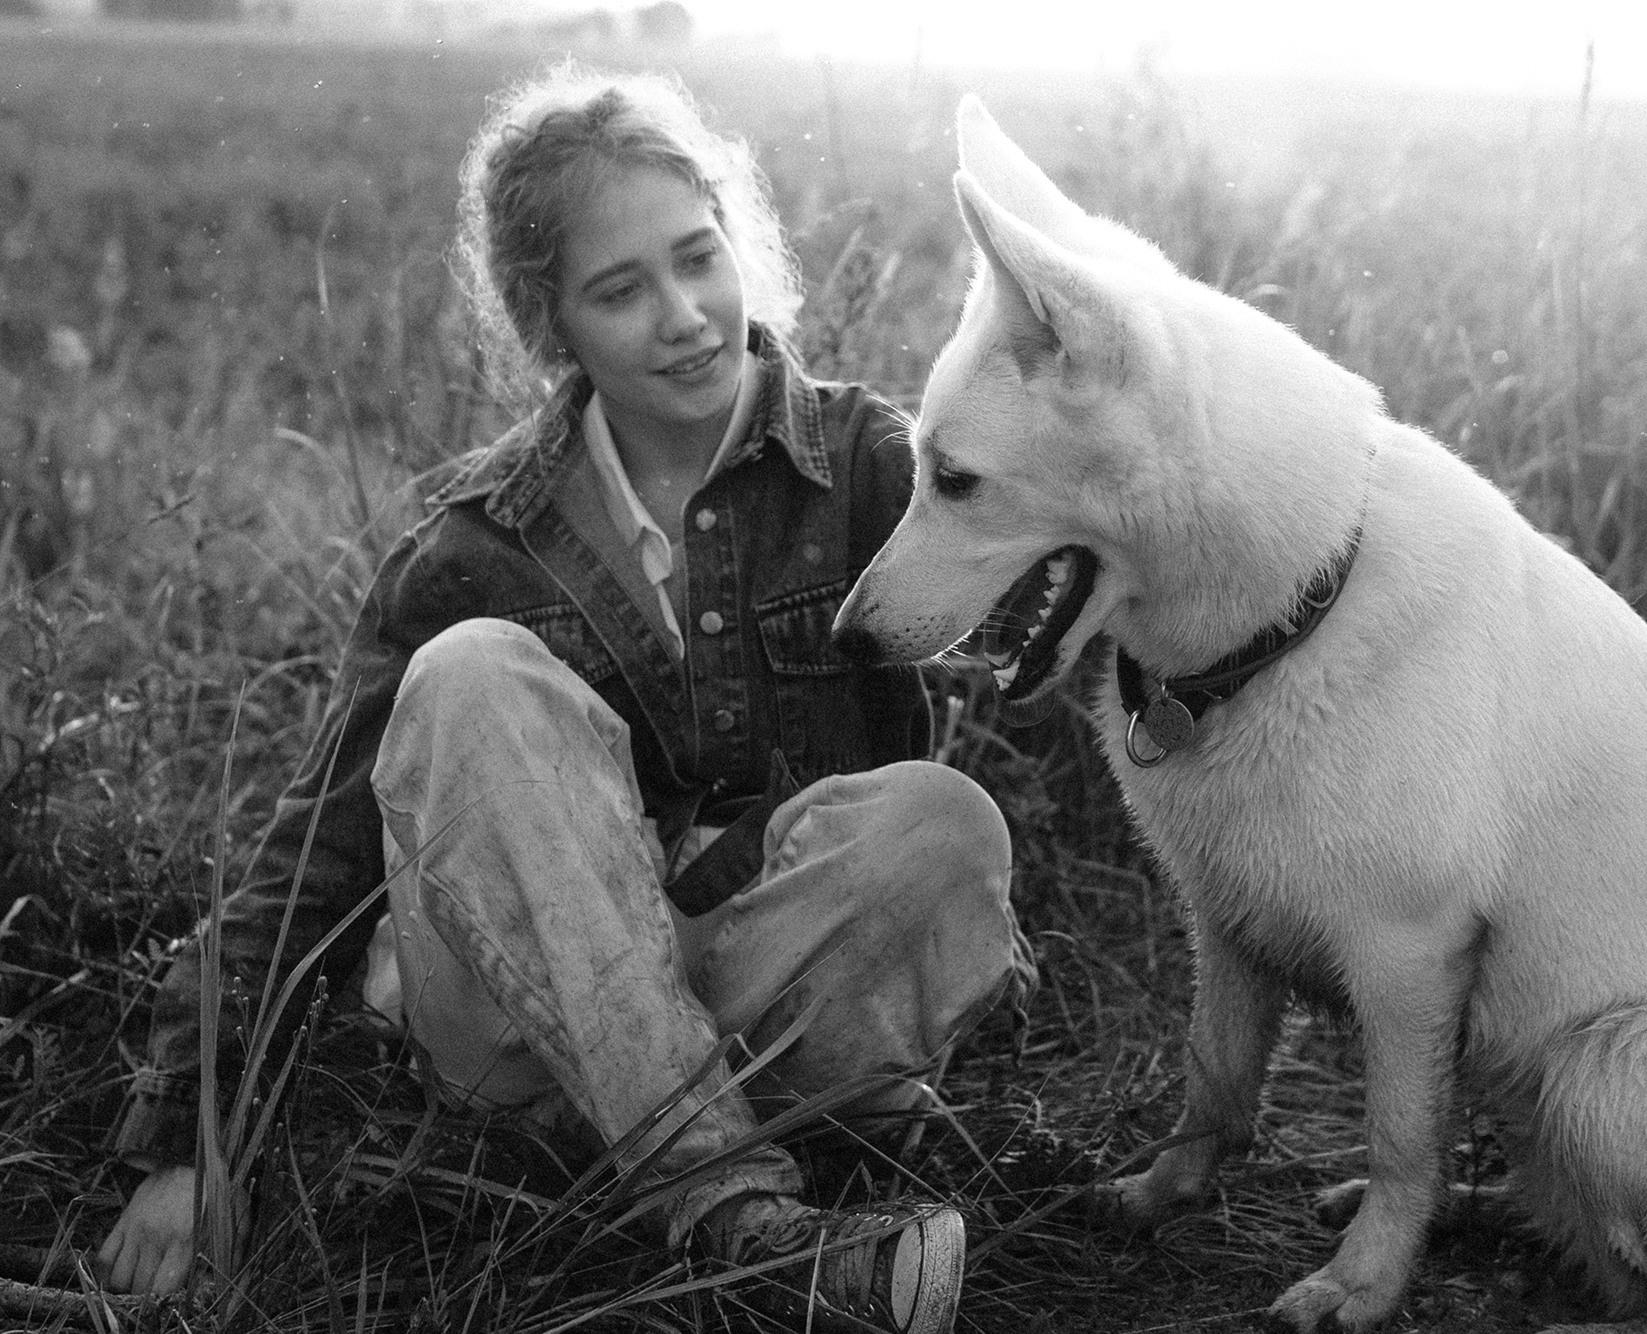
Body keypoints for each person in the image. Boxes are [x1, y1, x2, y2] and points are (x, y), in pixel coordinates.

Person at [95, 61, 1035, 1334]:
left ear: (734, 239)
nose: (686, 314)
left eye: (698, 256)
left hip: (755, 994)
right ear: (555, 329)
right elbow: (304, 859)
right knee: (474, 672)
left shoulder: (867, 466)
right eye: (620, 289)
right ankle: (743, 1222)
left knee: (943, 820)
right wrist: (183, 1140)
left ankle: (631, 1161)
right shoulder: (476, 542)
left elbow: (1062, 623)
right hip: (515, 1031)